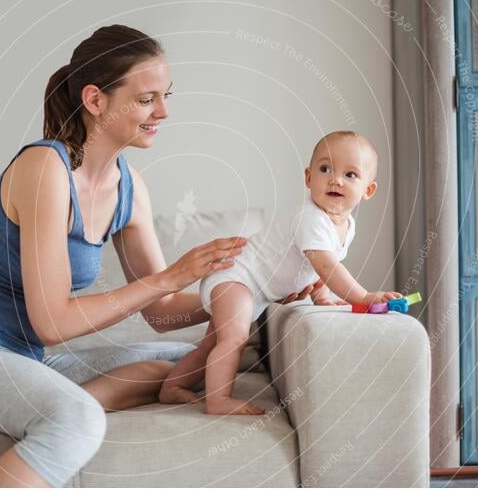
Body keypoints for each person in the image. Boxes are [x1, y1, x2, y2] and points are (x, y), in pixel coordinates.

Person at [0, 25, 313, 488]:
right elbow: (52, 324)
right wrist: (169, 276)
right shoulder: (44, 169)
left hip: (26, 362)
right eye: (146, 99)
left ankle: (57, 400)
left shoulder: (130, 191)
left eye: (166, 95)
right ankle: (67, 409)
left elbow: (161, 315)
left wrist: (253, 282)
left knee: (190, 361)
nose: (163, 111)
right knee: (78, 421)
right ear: (95, 100)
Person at [159, 131, 403, 415]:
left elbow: (319, 268)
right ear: (308, 177)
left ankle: (172, 388)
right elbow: (326, 264)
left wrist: (321, 298)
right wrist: (363, 297)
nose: (335, 179)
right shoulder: (310, 218)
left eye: (350, 175)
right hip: (237, 277)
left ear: (368, 190)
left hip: (253, 290)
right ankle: (218, 401)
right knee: (234, 340)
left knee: (210, 346)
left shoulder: (345, 226)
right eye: (326, 169)